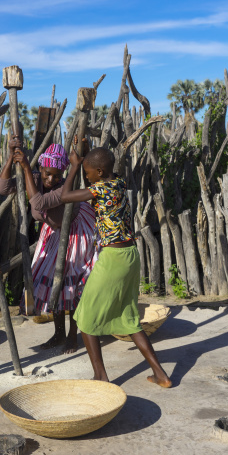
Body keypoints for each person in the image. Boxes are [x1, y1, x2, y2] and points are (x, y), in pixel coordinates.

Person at [60, 143, 172, 387]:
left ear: (99, 173)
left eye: (88, 173)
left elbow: (64, 196)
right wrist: (87, 162)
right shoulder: (119, 183)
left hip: (113, 259)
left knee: (85, 319)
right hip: (131, 255)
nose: (86, 178)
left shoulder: (99, 189)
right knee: (129, 318)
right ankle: (161, 375)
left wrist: (74, 166)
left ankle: (101, 376)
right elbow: (104, 168)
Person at [0, 138, 96, 353]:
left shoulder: (62, 188)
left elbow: (39, 204)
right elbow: (3, 188)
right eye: (47, 174)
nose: (51, 179)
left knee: (73, 285)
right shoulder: (33, 177)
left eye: (57, 175)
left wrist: (25, 166)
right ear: (41, 168)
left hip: (77, 230)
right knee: (55, 283)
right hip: (55, 230)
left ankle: (72, 336)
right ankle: (59, 333)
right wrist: (11, 157)